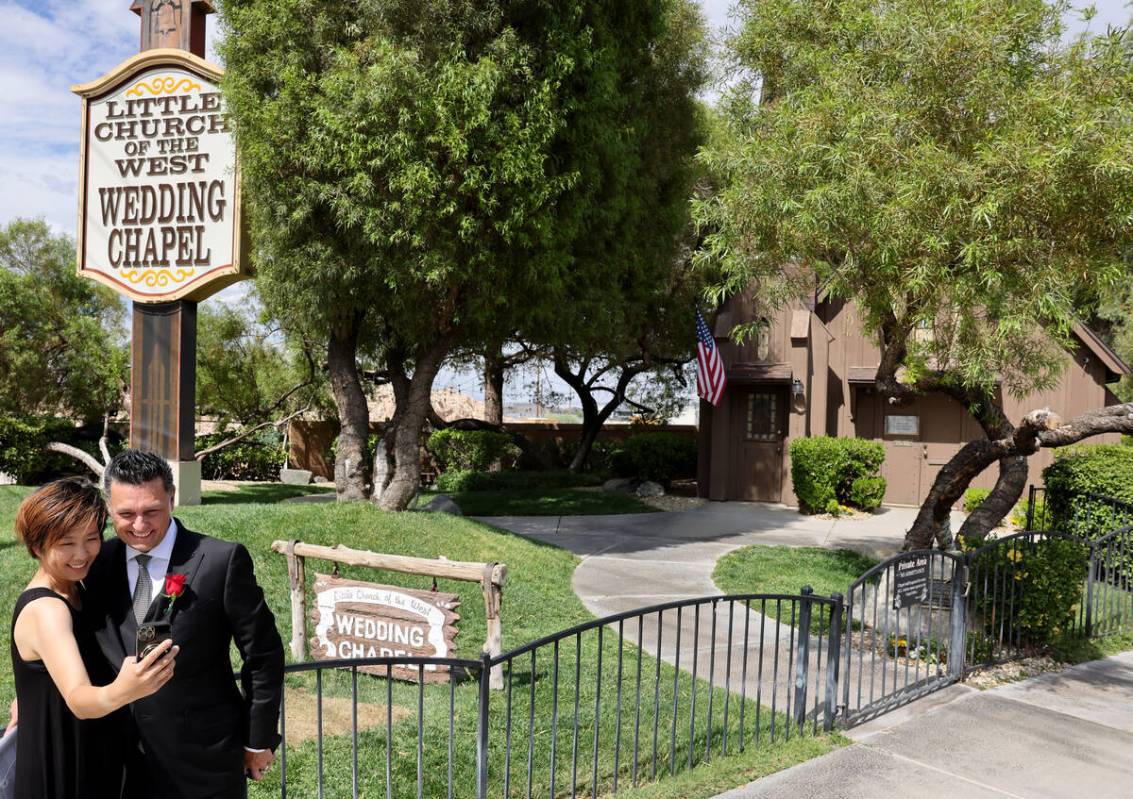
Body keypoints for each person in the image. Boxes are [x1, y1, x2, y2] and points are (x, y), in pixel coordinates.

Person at [85, 450, 284, 799]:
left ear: (172, 498)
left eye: (152, 511)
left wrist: (258, 739)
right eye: (126, 514)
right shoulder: (96, 563)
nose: (140, 525)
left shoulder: (220, 561)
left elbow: (263, 654)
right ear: (109, 509)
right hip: (115, 762)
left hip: (202, 762)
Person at [10, 477, 177, 799]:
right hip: (61, 765)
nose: (82, 554)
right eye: (66, 543)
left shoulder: (75, 588)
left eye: (91, 538)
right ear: (36, 546)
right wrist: (126, 689)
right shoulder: (47, 609)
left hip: (88, 753)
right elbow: (79, 699)